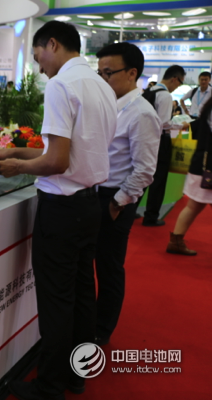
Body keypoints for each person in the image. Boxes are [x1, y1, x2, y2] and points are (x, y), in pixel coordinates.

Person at [0, 21, 117, 400]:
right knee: (82, 293)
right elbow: (71, 152)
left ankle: (48, 388)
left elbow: (57, 162)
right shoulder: (101, 86)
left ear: (53, 44)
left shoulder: (61, 85)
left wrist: (18, 166)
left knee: (57, 301)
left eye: (37, 56)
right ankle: (77, 375)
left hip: (61, 211)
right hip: (89, 204)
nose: (39, 66)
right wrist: (17, 149)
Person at [93, 43, 162, 346]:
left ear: (132, 73)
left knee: (108, 267)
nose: (102, 79)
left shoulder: (142, 113)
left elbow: (145, 170)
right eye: (99, 73)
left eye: (108, 73)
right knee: (89, 262)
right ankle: (87, 320)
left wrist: (116, 203)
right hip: (94, 192)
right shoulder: (108, 104)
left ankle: (101, 330)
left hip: (115, 198)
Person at [139, 66, 190, 226]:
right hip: (160, 142)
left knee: (140, 176)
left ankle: (129, 210)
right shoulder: (165, 96)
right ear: (174, 79)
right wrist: (180, 126)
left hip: (143, 140)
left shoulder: (148, 92)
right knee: (158, 180)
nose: (178, 86)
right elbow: (164, 124)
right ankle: (151, 216)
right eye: (180, 82)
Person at [167, 96, 212, 255]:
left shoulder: (207, 109)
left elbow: (193, 126)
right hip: (207, 168)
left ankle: (176, 241)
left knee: (193, 206)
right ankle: (176, 242)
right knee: (193, 206)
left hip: (200, 165)